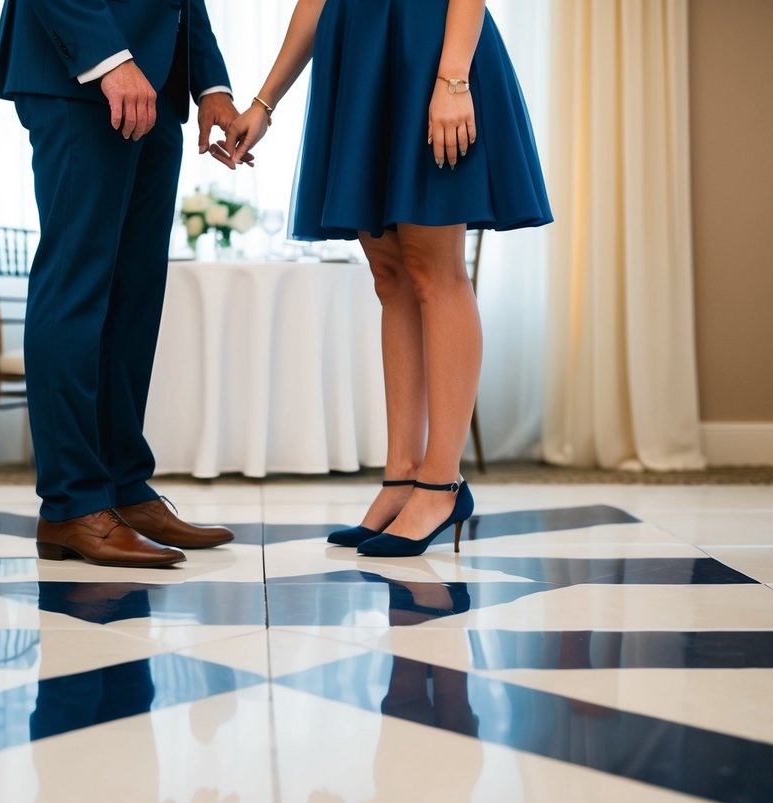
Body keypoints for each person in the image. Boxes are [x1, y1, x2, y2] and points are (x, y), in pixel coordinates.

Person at [215, 0, 552, 557]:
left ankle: (442, 482)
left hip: (431, 50)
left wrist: (453, 79)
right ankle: (402, 476)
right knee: (390, 276)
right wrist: (264, 102)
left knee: (433, 269)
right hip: (360, 56)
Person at [0, 0, 243, 567]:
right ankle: (72, 504)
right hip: (80, 71)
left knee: (133, 300)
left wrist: (210, 84)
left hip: (156, 83)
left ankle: (124, 490)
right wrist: (108, 58)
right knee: (74, 291)